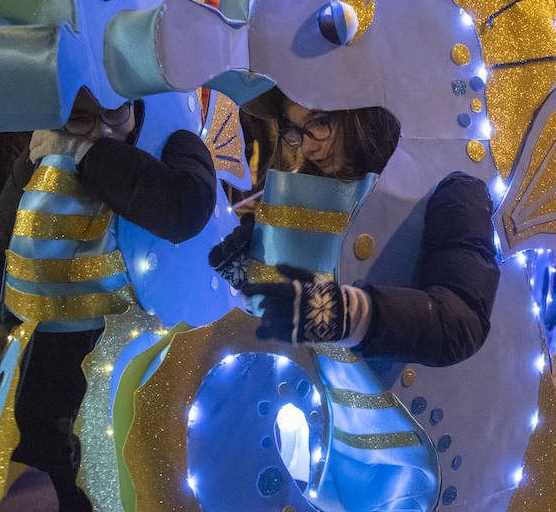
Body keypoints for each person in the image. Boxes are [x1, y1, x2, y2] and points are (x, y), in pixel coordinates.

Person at [0, 88, 216, 512]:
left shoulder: (171, 141)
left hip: (143, 377)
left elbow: (183, 208)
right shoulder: (39, 157)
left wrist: (86, 151)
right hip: (58, 378)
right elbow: (0, 239)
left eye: (111, 114)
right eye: (78, 118)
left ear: (134, 104)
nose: (96, 129)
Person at [210, 94, 498, 367]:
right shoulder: (303, 187)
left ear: (365, 112)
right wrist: (255, 274)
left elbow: (462, 320)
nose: (307, 146)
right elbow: (292, 330)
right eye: (295, 129)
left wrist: (352, 315)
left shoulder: (452, 188)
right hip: (333, 409)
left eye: (320, 122)